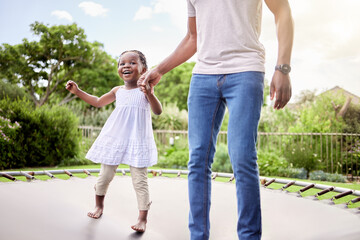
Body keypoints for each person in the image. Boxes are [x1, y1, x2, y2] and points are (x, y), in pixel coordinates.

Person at [139, 0, 293, 239]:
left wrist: (282, 68)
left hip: (246, 70)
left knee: (242, 156)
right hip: (203, 76)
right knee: (198, 159)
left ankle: (249, 236)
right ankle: (198, 236)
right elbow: (193, 37)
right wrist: (160, 69)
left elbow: (282, 11)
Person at [66, 50, 162, 233]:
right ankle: (99, 206)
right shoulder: (117, 91)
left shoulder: (145, 90)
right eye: (122, 63)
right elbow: (97, 102)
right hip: (115, 139)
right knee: (105, 177)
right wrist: (77, 91)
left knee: (139, 181)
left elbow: (157, 111)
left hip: (137, 140)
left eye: (132, 63)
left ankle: (142, 219)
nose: (126, 66)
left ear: (144, 70)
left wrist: (149, 93)